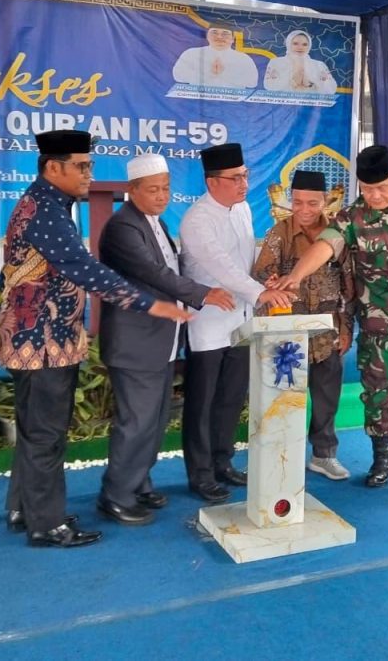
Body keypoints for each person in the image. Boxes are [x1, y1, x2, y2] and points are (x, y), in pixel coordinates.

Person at [0, 130, 190, 548]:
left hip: (41, 337)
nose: (89, 174)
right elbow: (84, 269)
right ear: (53, 167)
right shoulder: (46, 211)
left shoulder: (47, 203)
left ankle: (24, 507)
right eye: (81, 166)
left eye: (91, 165)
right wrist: (150, 304)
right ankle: (47, 524)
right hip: (40, 341)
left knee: (35, 429)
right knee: (46, 434)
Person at [271, 145, 388, 491]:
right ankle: (382, 459)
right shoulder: (352, 216)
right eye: (367, 189)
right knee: (376, 389)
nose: (374, 196)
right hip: (377, 316)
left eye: (382, 188)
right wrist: (295, 277)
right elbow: (325, 246)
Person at [96, 154, 236, 525]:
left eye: (166, 188)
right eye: (153, 190)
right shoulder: (123, 227)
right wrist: (204, 293)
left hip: (160, 340)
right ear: (132, 190)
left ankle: (138, 483)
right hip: (135, 344)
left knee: (155, 421)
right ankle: (116, 496)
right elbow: (155, 274)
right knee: (136, 422)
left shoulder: (154, 222)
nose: (162, 196)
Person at [179, 143, 294, 503]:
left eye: (245, 175)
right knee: (203, 403)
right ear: (212, 182)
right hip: (207, 324)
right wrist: (261, 293)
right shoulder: (196, 220)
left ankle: (222, 462)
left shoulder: (242, 208)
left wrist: (264, 278)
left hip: (241, 320)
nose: (244, 184)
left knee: (231, 398)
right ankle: (200, 475)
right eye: (235, 178)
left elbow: (245, 260)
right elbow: (222, 267)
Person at [253, 169, 356, 480]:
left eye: (312, 203)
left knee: (327, 398)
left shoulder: (337, 234)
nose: (304, 210)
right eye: (297, 202)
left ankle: (324, 455)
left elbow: (349, 286)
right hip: (287, 333)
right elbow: (260, 276)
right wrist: (269, 280)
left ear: (324, 201)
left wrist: (346, 327)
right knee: (283, 397)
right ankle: (279, 455)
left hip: (327, 332)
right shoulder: (279, 234)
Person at [172, 20, 259, 89]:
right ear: (207, 36)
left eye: (225, 34)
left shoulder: (243, 58)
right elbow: (178, 76)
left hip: (232, 102)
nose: (219, 37)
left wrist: (225, 74)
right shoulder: (191, 53)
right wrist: (209, 73)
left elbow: (252, 83)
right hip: (198, 100)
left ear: (233, 39)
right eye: (214, 33)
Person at [263, 30, 337, 94]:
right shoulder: (276, 62)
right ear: (288, 44)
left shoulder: (319, 65)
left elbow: (331, 90)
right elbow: (269, 86)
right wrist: (293, 77)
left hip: (310, 104)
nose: (300, 47)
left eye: (304, 44)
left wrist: (311, 81)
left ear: (309, 46)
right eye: (295, 43)